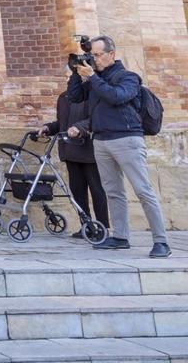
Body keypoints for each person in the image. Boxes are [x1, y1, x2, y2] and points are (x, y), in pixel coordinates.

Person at [67, 35, 170, 258]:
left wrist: (92, 76)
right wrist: (76, 72)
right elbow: (74, 97)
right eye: (91, 56)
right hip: (101, 141)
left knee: (143, 190)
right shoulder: (96, 79)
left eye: (97, 55)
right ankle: (120, 237)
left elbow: (116, 96)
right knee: (113, 192)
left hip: (127, 140)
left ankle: (161, 241)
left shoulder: (129, 77)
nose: (94, 60)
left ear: (111, 54)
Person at [37, 91, 109, 237]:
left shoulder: (95, 95)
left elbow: (98, 119)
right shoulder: (65, 97)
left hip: (90, 151)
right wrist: (48, 128)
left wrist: (80, 128)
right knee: (77, 192)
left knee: (97, 191)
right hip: (70, 151)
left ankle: (102, 228)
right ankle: (87, 226)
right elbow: (62, 123)